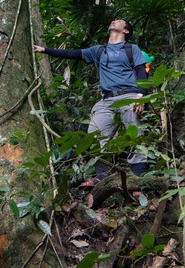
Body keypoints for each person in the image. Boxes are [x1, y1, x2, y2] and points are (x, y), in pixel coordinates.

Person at [34, 18, 149, 185]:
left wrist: (141, 96)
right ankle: (102, 176)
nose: (114, 21)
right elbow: (73, 54)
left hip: (129, 95)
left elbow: (141, 72)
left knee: (135, 133)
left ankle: (138, 179)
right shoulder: (99, 50)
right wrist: (44, 50)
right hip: (107, 99)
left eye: (119, 21)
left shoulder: (132, 49)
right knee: (95, 132)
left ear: (125, 31)